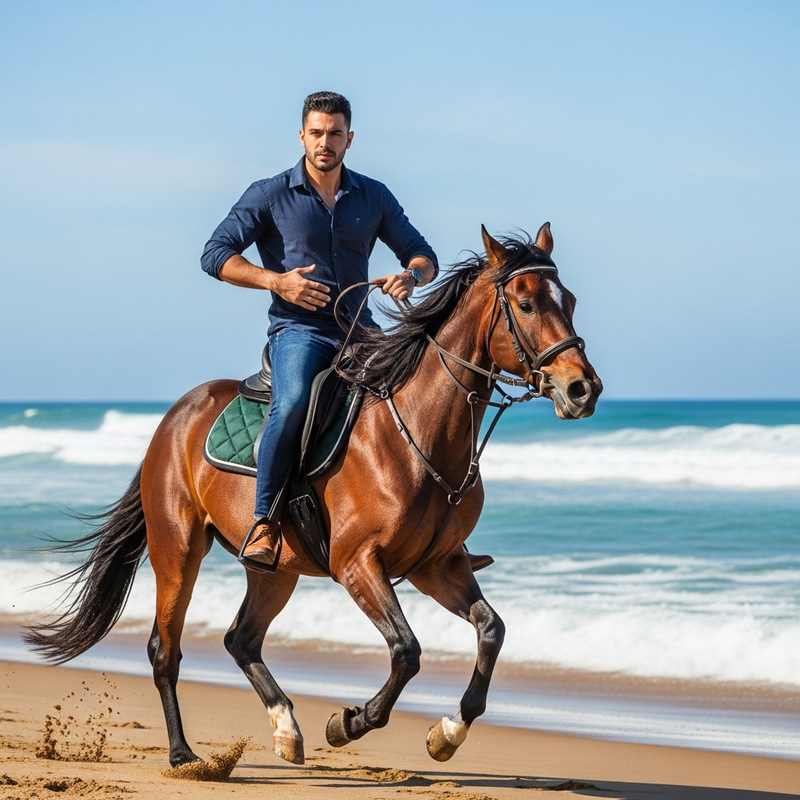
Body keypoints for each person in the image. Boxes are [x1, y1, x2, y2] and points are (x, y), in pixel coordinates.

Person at [201, 91, 438, 569]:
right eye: (316, 132)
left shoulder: (373, 195)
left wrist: (409, 276)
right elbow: (214, 254)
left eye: (334, 133)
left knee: (428, 396)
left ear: (349, 139)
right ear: (301, 135)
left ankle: (439, 532)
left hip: (362, 332)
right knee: (289, 406)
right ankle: (265, 521)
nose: (324, 142)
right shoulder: (269, 194)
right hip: (299, 331)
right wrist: (275, 281)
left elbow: (423, 255)